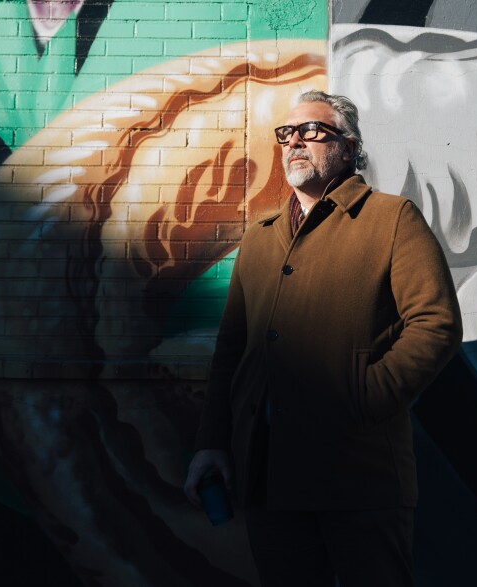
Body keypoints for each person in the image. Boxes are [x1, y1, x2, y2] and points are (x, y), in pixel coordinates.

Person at [184, 90, 462, 587]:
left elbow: (436, 323)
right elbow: (232, 351)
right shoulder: (260, 237)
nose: (295, 141)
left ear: (348, 146)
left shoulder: (391, 218)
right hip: (268, 476)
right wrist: (213, 442)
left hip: (359, 474)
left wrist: (362, 397)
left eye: (312, 131)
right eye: (287, 133)